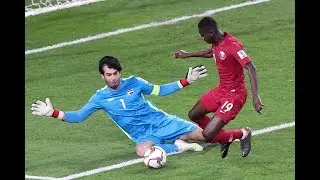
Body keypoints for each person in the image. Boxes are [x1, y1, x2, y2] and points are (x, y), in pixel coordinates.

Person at [31, 55, 210, 158]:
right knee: (142, 151)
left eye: (115, 73)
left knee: (206, 135)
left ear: (119, 72)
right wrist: (52, 113)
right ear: (103, 76)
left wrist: (187, 81)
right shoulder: (99, 98)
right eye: (108, 74)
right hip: (144, 135)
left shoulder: (135, 82)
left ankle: (235, 134)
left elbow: (160, 90)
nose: (113, 78)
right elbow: (78, 116)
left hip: (163, 122)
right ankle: (180, 146)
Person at [173, 16, 264, 158]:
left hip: (234, 95)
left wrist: (256, 97)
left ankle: (243, 134)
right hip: (221, 90)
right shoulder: (217, 41)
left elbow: (251, 68)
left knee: (208, 135)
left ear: (211, 32)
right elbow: (212, 52)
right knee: (194, 114)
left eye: (203, 35)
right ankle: (223, 138)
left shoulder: (232, 45)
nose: (202, 38)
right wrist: (187, 55)